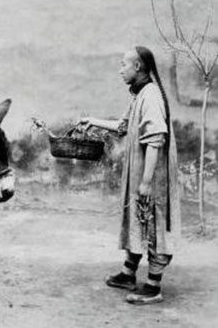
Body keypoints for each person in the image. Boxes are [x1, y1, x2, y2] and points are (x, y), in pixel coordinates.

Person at [80, 46, 180, 305]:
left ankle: (153, 286)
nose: (119, 69)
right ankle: (128, 273)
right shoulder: (140, 95)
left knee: (154, 223)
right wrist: (92, 120)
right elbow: (123, 126)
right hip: (139, 174)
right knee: (138, 219)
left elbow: (156, 139)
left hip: (152, 179)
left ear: (137, 67)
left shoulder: (151, 96)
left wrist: (146, 183)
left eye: (123, 64)